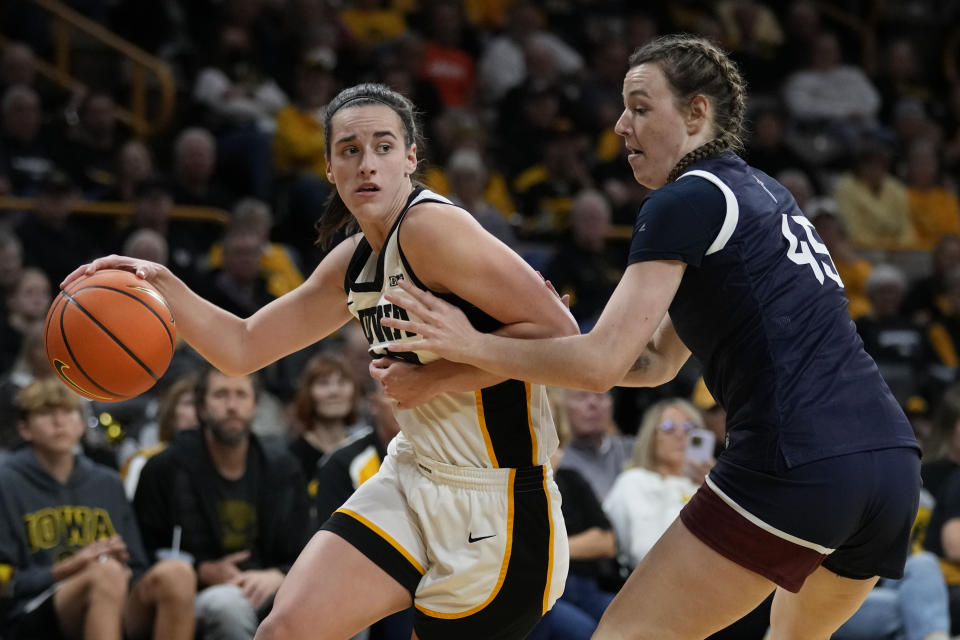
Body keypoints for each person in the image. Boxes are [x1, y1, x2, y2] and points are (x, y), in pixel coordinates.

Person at [378, 35, 921, 639]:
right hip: (890, 465)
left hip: (798, 459)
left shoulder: (684, 200)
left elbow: (602, 363)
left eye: (640, 107)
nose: (619, 125)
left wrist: (467, 342)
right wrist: (527, 351)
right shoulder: (765, 192)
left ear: (696, 114)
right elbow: (655, 360)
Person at [64, 82, 577, 640]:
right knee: (282, 631)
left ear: (411, 158)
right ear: (330, 168)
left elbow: (561, 336)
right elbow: (241, 347)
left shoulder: (434, 229)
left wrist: (437, 377)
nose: (367, 164)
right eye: (349, 150)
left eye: (383, 147)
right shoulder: (353, 261)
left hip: (498, 503)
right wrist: (161, 285)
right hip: (414, 473)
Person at [0, 378, 196, 640]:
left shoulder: (107, 482)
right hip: (34, 609)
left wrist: (123, 563)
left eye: (68, 412)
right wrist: (70, 567)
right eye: (46, 413)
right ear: (24, 428)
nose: (59, 422)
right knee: (105, 573)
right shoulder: (6, 481)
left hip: (113, 596)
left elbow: (137, 566)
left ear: (81, 424)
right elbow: (6, 582)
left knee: (176, 572)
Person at [132, 365, 310, 640]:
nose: (231, 406)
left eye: (241, 395)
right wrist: (201, 571)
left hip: (268, 583)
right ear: (201, 408)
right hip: (195, 594)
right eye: (221, 395)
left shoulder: (283, 469)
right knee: (229, 607)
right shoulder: (165, 468)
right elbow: (144, 553)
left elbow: (305, 548)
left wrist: (279, 574)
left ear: (254, 406)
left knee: (341, 603)